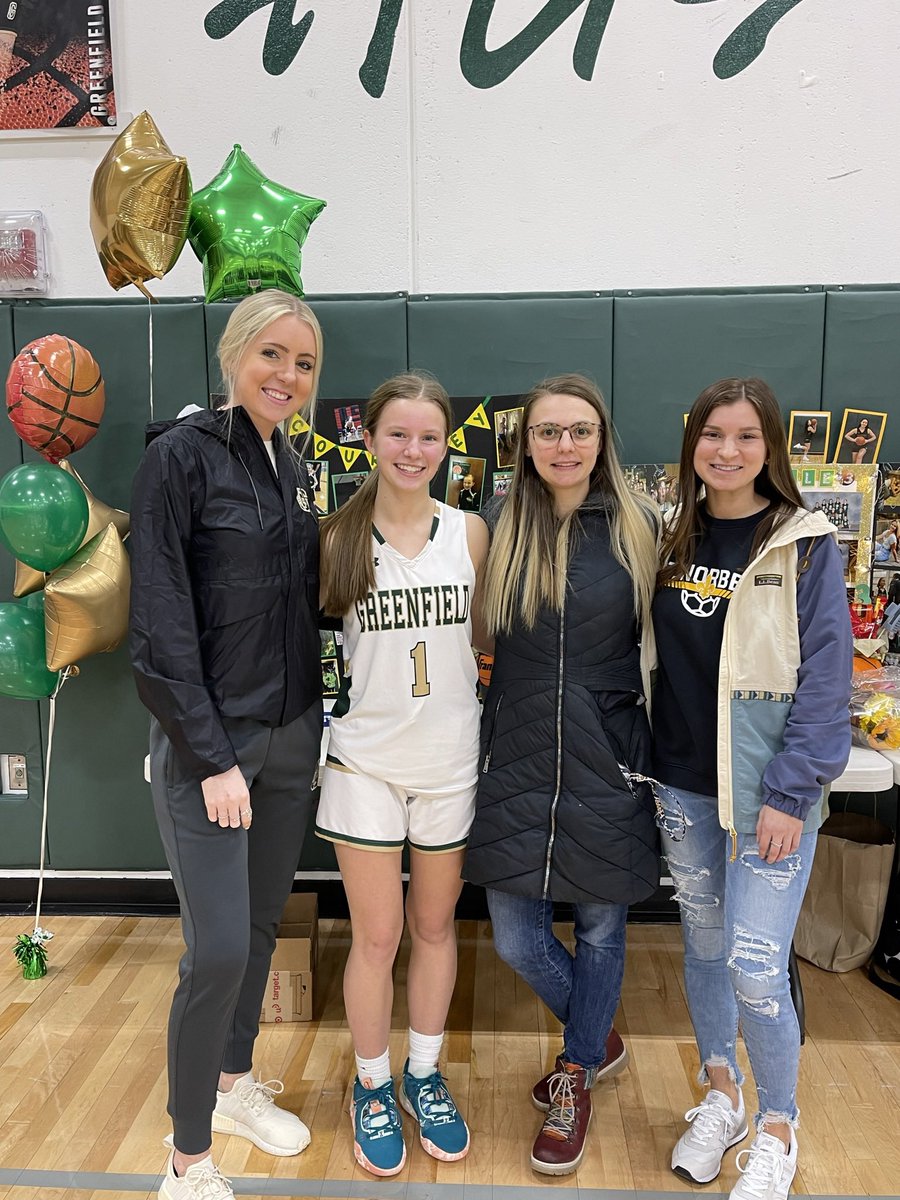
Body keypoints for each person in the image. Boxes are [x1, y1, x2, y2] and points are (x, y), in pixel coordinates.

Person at [130, 290, 325, 1200]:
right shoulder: (180, 459)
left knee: (254, 932)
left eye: (305, 364)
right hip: (215, 751)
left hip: (290, 743)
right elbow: (162, 627)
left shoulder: (295, 470)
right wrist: (211, 757)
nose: (288, 376)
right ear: (234, 355)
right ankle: (187, 1161)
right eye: (273, 356)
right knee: (213, 953)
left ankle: (234, 1082)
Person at [651, 378, 852, 1198]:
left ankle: (779, 1124)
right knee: (703, 948)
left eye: (745, 436)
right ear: (693, 443)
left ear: (770, 447)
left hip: (767, 796)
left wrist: (791, 792)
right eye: (712, 435)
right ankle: (722, 1096)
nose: (726, 451)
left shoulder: (805, 544)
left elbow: (827, 685)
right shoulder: (673, 537)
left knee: (758, 965)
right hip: (681, 784)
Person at [464, 373, 661, 1176]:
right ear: (526, 443)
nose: (565, 444)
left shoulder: (640, 531)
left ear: (601, 439)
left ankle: (575, 1072)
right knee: (515, 938)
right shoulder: (494, 528)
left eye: (580, 430)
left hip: (608, 752)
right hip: (514, 751)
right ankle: (598, 1034)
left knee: (605, 929)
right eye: (549, 431)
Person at [316, 373, 489, 1177]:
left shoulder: (471, 533)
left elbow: (481, 641)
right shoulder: (338, 537)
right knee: (378, 935)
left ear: (445, 443)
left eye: (428, 436)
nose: (413, 450)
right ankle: (373, 1083)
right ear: (370, 440)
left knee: (432, 929)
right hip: (367, 763)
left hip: (450, 761)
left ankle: (424, 1073)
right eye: (397, 434)